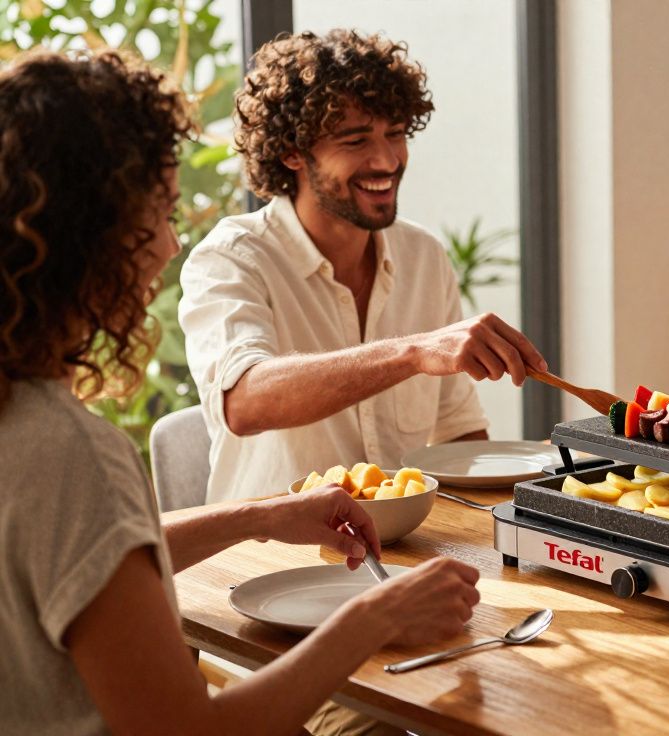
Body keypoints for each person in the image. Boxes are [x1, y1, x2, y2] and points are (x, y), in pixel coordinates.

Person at [0, 49, 481, 735]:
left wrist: (258, 514)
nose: (169, 247)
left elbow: (83, 548)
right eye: (157, 214)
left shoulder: (23, 423)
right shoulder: (75, 451)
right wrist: (376, 616)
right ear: (88, 235)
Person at [180, 30, 546, 502]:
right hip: (275, 554)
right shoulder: (231, 258)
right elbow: (245, 400)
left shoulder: (423, 257)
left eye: (395, 134)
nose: (387, 160)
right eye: (355, 140)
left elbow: (459, 433)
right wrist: (413, 353)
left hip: (405, 549)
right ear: (292, 152)